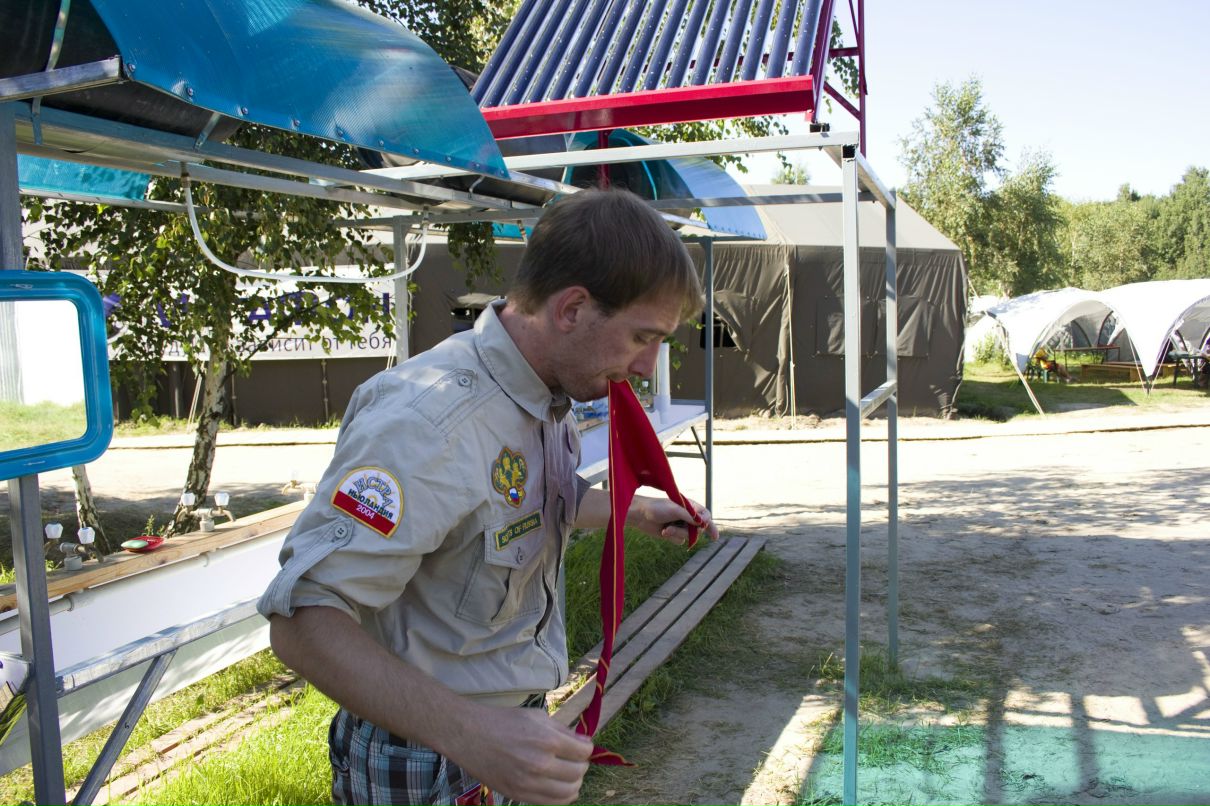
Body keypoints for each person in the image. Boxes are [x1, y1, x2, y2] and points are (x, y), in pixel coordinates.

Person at [258, 188, 718, 806]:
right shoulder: (427, 423)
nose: (647, 366)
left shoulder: (544, 389)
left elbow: (525, 499)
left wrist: (629, 511)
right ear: (573, 308)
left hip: (499, 731)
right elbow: (304, 622)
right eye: (643, 337)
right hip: (428, 751)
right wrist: (474, 734)